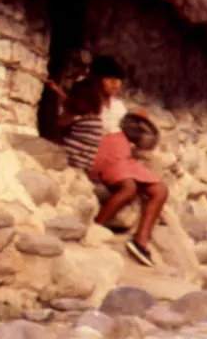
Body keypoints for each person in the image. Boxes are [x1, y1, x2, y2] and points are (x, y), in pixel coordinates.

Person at [53, 56, 168, 268]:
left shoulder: (118, 106)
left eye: (118, 80)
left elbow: (126, 126)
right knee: (128, 187)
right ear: (98, 79)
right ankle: (96, 227)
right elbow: (66, 120)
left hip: (122, 156)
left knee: (160, 190)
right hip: (102, 154)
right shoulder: (87, 99)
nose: (116, 85)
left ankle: (141, 241)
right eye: (110, 80)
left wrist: (140, 120)